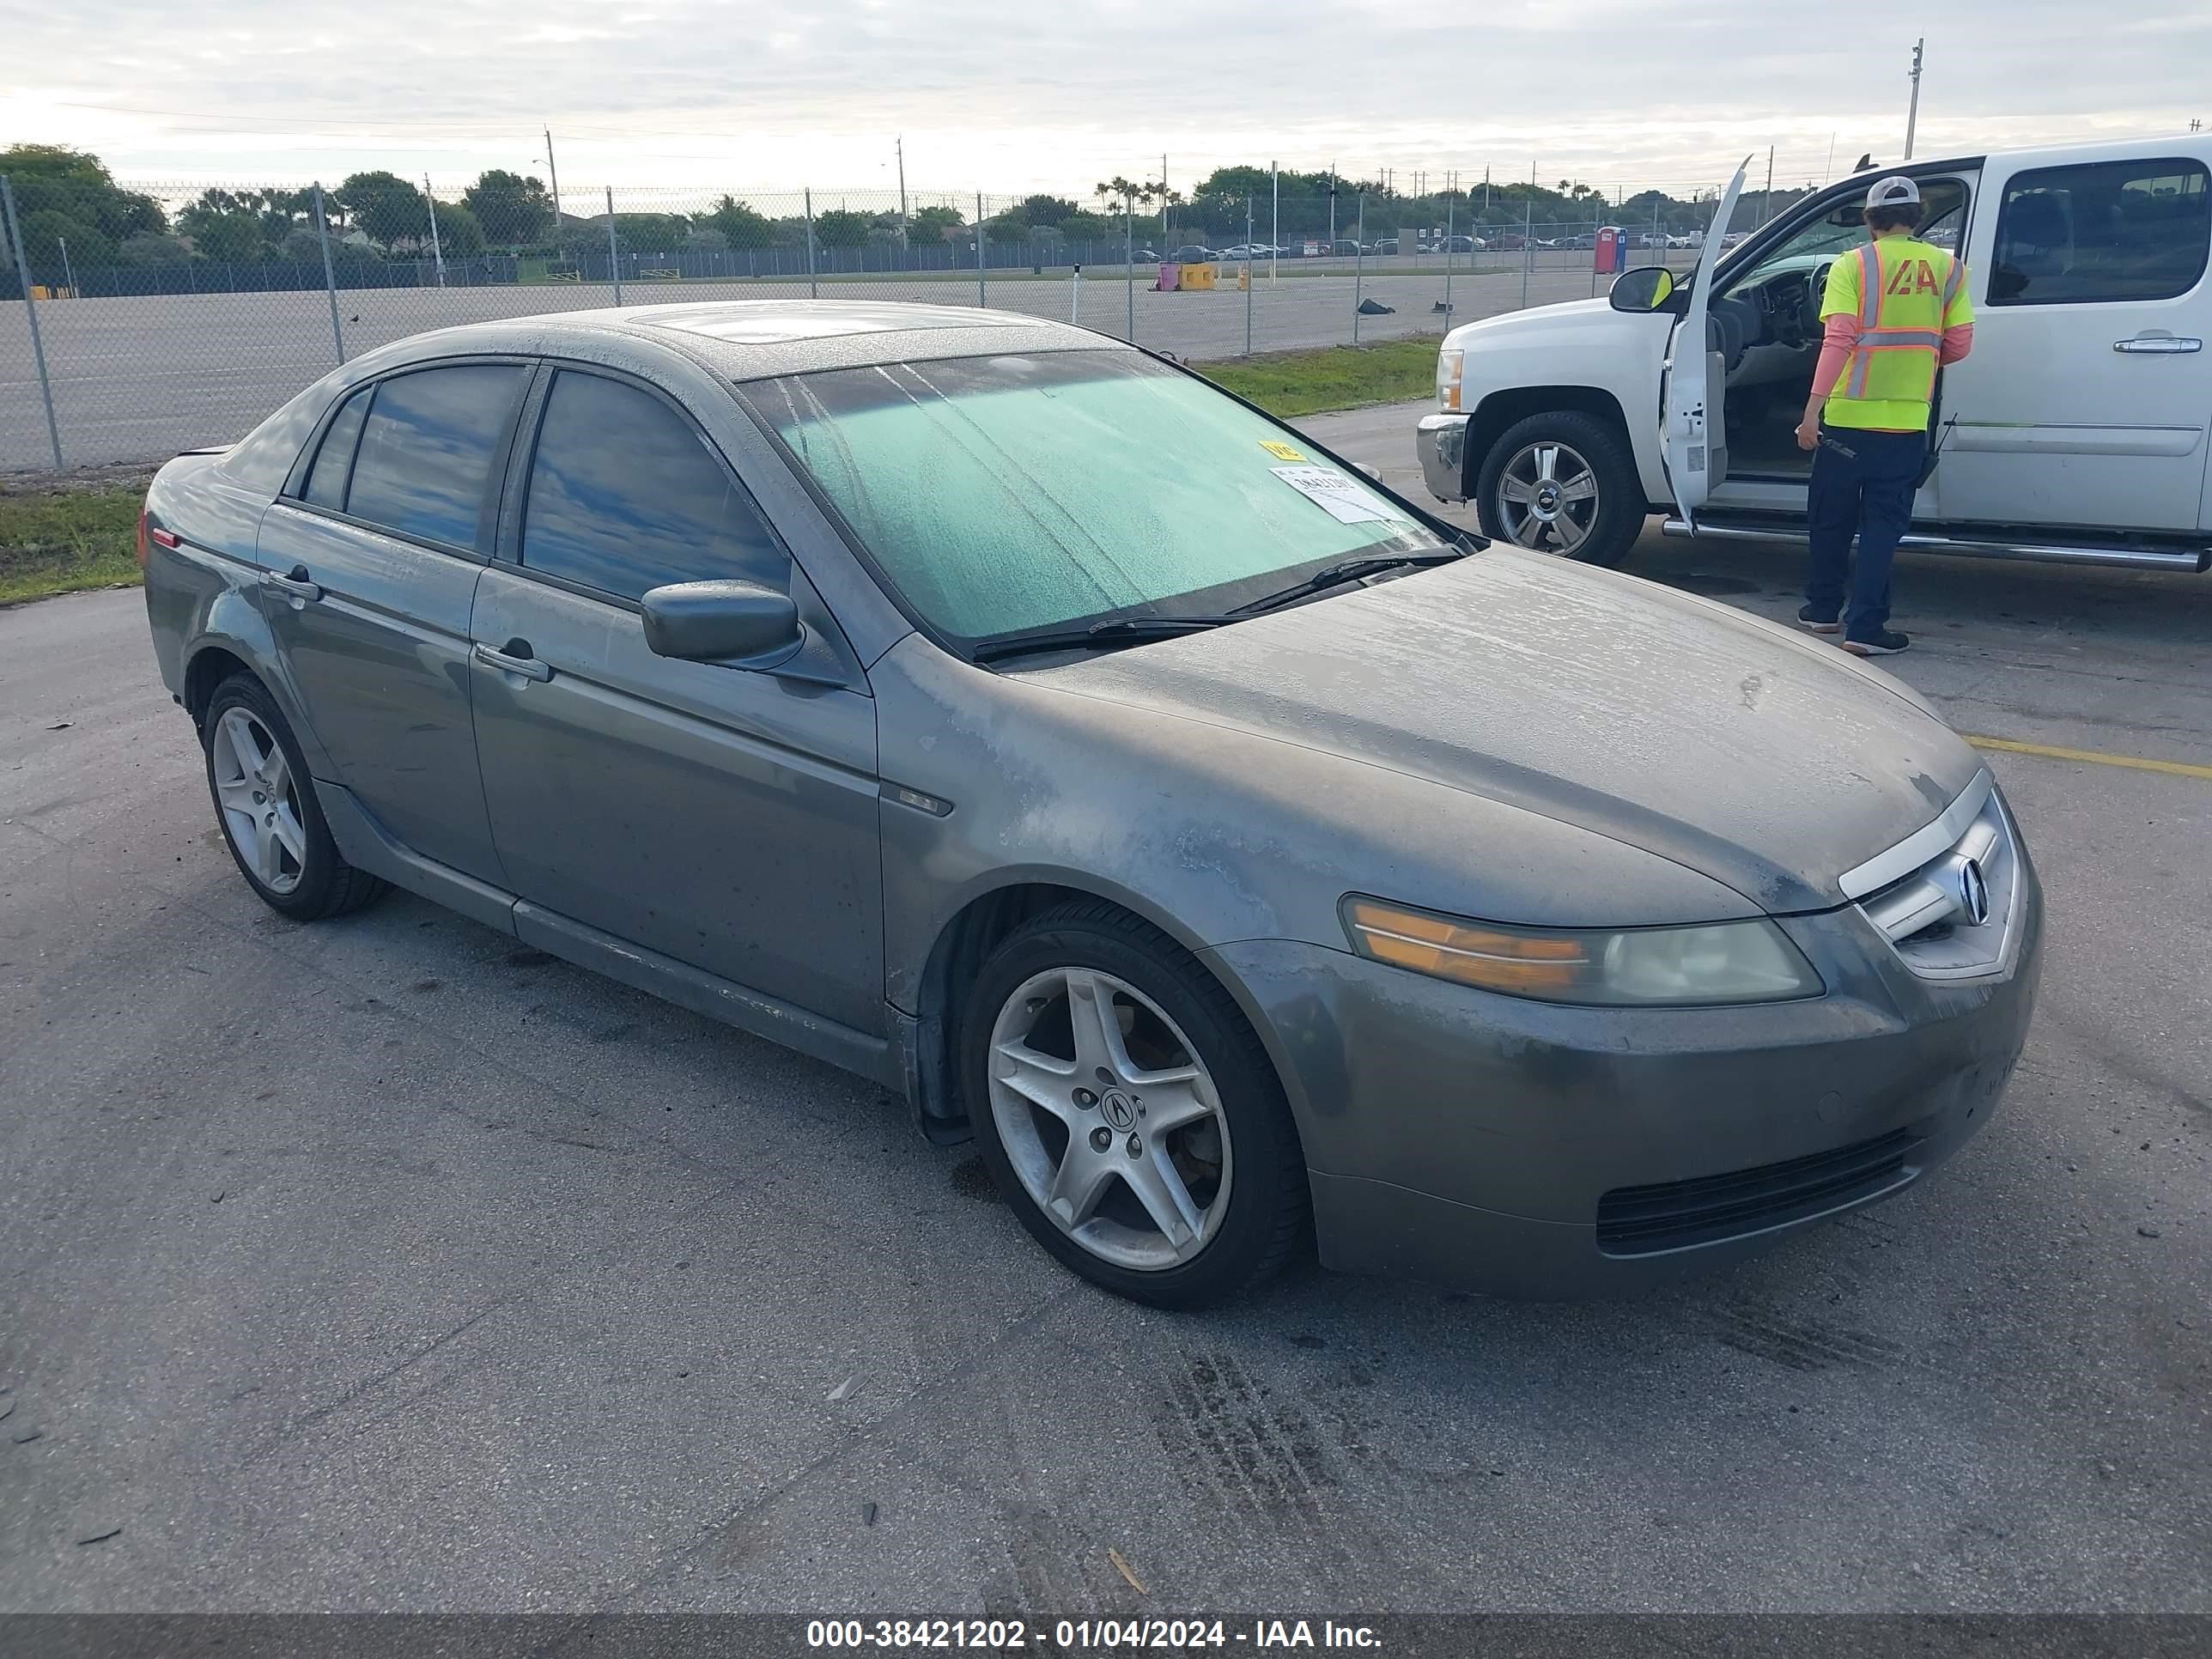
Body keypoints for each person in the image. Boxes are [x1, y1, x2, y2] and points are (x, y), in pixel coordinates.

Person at [1793, 175, 1975, 656]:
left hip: (1847, 419)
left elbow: (1838, 342)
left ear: (1869, 219)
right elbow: (1959, 344)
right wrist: (1915, 359)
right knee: (1882, 527)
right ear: (1916, 216)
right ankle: (1866, 628)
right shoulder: (1949, 269)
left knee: (1830, 517)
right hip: (1905, 422)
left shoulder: (1853, 265)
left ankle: (1822, 612)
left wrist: (1812, 413)